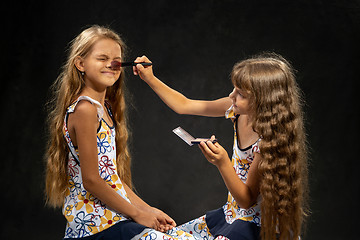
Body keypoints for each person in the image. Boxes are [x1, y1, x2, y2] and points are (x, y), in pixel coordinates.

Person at [44, 25, 198, 240]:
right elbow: (92, 180)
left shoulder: (104, 108)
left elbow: (111, 178)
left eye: (116, 60)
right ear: (80, 64)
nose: (111, 64)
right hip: (95, 226)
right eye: (102, 58)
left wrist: (148, 210)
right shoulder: (85, 109)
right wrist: (137, 214)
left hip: (114, 218)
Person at [133, 53, 309, 240]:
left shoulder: (269, 141)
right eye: (234, 88)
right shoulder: (237, 111)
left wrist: (222, 162)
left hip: (254, 225)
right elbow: (184, 105)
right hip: (231, 215)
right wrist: (150, 78)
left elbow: (247, 200)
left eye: (240, 93)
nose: (231, 95)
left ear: (263, 101)